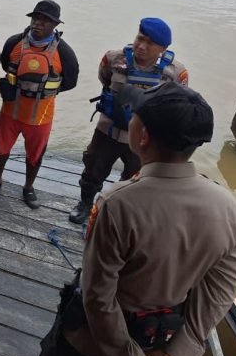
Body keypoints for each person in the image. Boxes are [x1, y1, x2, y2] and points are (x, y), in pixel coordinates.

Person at [36, 83, 236, 356]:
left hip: (92, 352)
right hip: (160, 342)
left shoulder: (118, 204)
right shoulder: (230, 209)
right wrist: (179, 351)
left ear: (143, 135)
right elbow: (221, 289)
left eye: (134, 116)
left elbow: (98, 298)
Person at [69, 18, 189, 224]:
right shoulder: (114, 59)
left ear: (163, 48)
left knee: (135, 180)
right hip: (108, 131)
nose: (141, 46)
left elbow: (178, 102)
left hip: (145, 141)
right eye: (140, 39)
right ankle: (85, 204)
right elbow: (104, 79)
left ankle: (119, 213)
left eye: (150, 43)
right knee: (93, 168)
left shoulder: (176, 73)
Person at [0, 0, 79, 208]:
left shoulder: (65, 52)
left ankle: (28, 187)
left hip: (41, 116)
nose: (39, 23)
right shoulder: (14, 43)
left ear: (55, 25)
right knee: (0, 148)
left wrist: (45, 92)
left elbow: (71, 81)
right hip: (11, 112)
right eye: (36, 18)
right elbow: (7, 64)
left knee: (35, 154)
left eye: (45, 20)